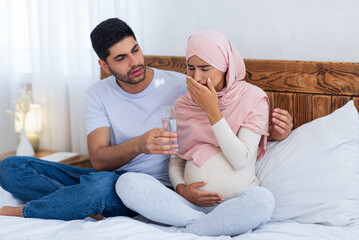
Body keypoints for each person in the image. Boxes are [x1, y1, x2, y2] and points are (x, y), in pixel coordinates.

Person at [0, 18, 292, 220]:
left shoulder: (184, 85)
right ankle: (83, 201)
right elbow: (98, 160)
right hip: (110, 177)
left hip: (155, 188)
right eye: (121, 58)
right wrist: (139, 144)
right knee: (12, 167)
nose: (135, 62)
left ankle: (51, 207)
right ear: (104, 65)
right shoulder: (97, 95)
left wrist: (274, 132)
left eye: (135, 50)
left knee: (100, 187)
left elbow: (233, 116)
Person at [116, 30, 278, 236]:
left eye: (205, 68)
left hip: (237, 203)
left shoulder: (253, 98)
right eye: (190, 68)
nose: (196, 77)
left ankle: (195, 229)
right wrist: (181, 188)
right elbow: (176, 159)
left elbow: (241, 159)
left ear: (225, 65)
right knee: (127, 183)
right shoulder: (183, 105)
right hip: (187, 206)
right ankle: (202, 224)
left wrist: (212, 110)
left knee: (263, 201)